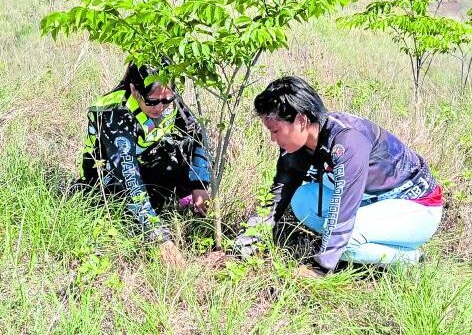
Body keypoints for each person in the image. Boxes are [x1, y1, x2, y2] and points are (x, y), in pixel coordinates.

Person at [235, 76, 443, 277]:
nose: (272, 139)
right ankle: (355, 243)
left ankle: (411, 259)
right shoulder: (296, 145)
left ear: (300, 120)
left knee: (345, 244)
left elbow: (344, 205)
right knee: (301, 200)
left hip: (417, 208)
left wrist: (321, 268)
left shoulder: (348, 140)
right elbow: (280, 190)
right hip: (373, 202)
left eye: (276, 131)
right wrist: (250, 237)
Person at [80, 62, 211, 264]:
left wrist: (199, 183)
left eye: (167, 100)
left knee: (183, 154)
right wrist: (159, 238)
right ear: (134, 89)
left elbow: (196, 133)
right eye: (152, 102)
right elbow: (128, 175)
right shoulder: (115, 114)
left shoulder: (167, 98)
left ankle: (182, 197)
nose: (161, 107)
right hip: (110, 176)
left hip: (146, 161)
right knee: (125, 218)